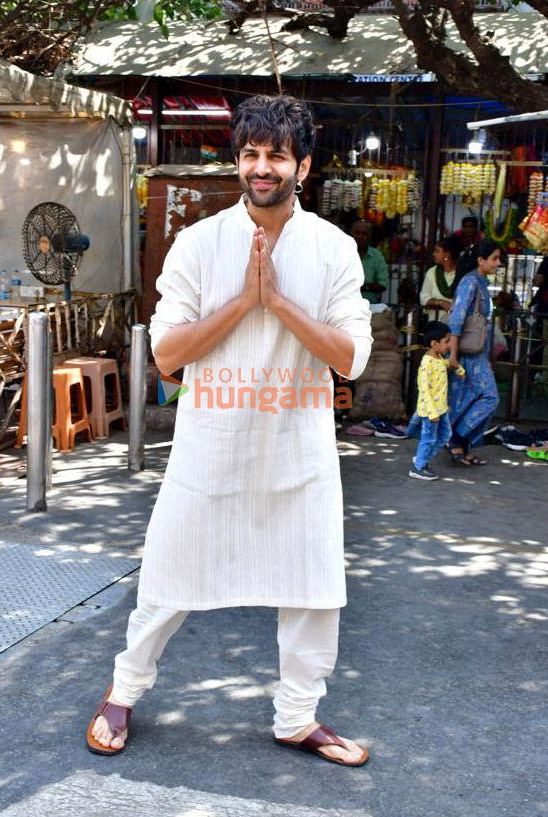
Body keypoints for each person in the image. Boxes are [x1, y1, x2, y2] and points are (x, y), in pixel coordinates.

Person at [86, 95, 373, 767]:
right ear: (238, 162)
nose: (261, 167)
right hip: (211, 444)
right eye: (250, 154)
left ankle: (298, 718)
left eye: (275, 155)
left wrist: (278, 301)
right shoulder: (199, 243)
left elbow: (350, 358)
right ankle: (122, 692)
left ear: (301, 164)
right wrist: (244, 301)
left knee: (312, 590)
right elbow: (167, 354)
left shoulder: (331, 249)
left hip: (296, 449)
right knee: (168, 576)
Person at [447, 239, 501, 466]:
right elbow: (457, 319)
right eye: (494, 258)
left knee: (469, 400)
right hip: (468, 355)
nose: (498, 263)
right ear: (480, 260)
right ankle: (457, 438)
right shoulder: (470, 283)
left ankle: (463, 446)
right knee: (490, 398)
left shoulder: (480, 283)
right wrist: (453, 355)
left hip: (476, 354)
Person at [407, 322, 464, 481]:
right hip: (431, 411)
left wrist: (458, 369)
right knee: (429, 438)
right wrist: (432, 413)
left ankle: (422, 458)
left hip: (442, 408)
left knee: (446, 435)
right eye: (446, 341)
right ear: (434, 343)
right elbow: (423, 389)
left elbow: (448, 365)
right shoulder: (426, 364)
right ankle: (418, 467)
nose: (449, 345)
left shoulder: (439, 358)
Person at [419, 236, 462, 323]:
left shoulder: (462, 274)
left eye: (437, 251)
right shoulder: (432, 272)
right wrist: (441, 303)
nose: (433, 254)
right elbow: (423, 297)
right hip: (435, 324)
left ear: (447, 254)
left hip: (457, 324)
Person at [351, 220, 388, 304]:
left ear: (369, 236)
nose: (360, 236)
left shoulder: (377, 256)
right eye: (357, 232)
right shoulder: (342, 253)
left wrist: (363, 287)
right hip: (341, 305)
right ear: (351, 234)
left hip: (369, 306)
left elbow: (382, 285)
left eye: (364, 234)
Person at [530, 255, 548, 383]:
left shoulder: (547, 260)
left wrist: (534, 280)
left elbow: (538, 281)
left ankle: (544, 377)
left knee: (544, 341)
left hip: (546, 309)